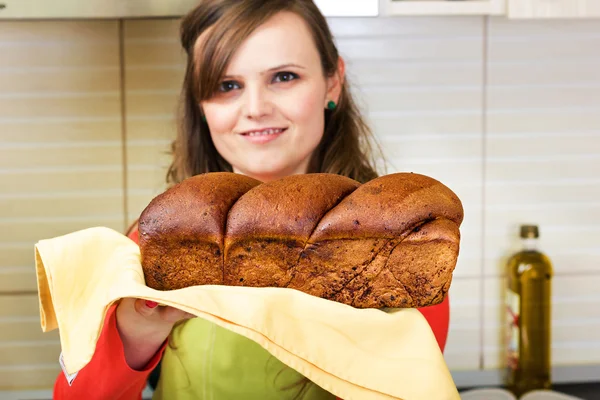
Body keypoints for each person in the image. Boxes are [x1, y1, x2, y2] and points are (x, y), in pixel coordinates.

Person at [53, 0, 450, 398]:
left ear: (333, 82)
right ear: (201, 105)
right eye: (228, 86)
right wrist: (136, 335)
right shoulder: (158, 244)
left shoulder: (401, 246)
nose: (256, 108)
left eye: (284, 77)